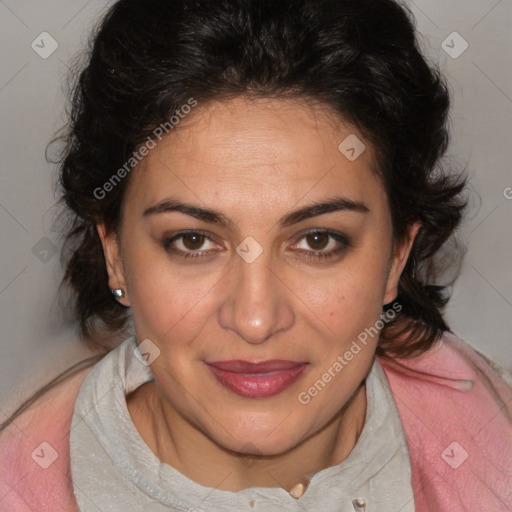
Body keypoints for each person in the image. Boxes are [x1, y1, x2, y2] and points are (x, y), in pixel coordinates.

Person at [1, 0, 511, 510]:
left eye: (317, 241)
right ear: (114, 253)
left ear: (397, 255)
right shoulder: (20, 484)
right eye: (193, 241)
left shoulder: (494, 443)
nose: (255, 319)